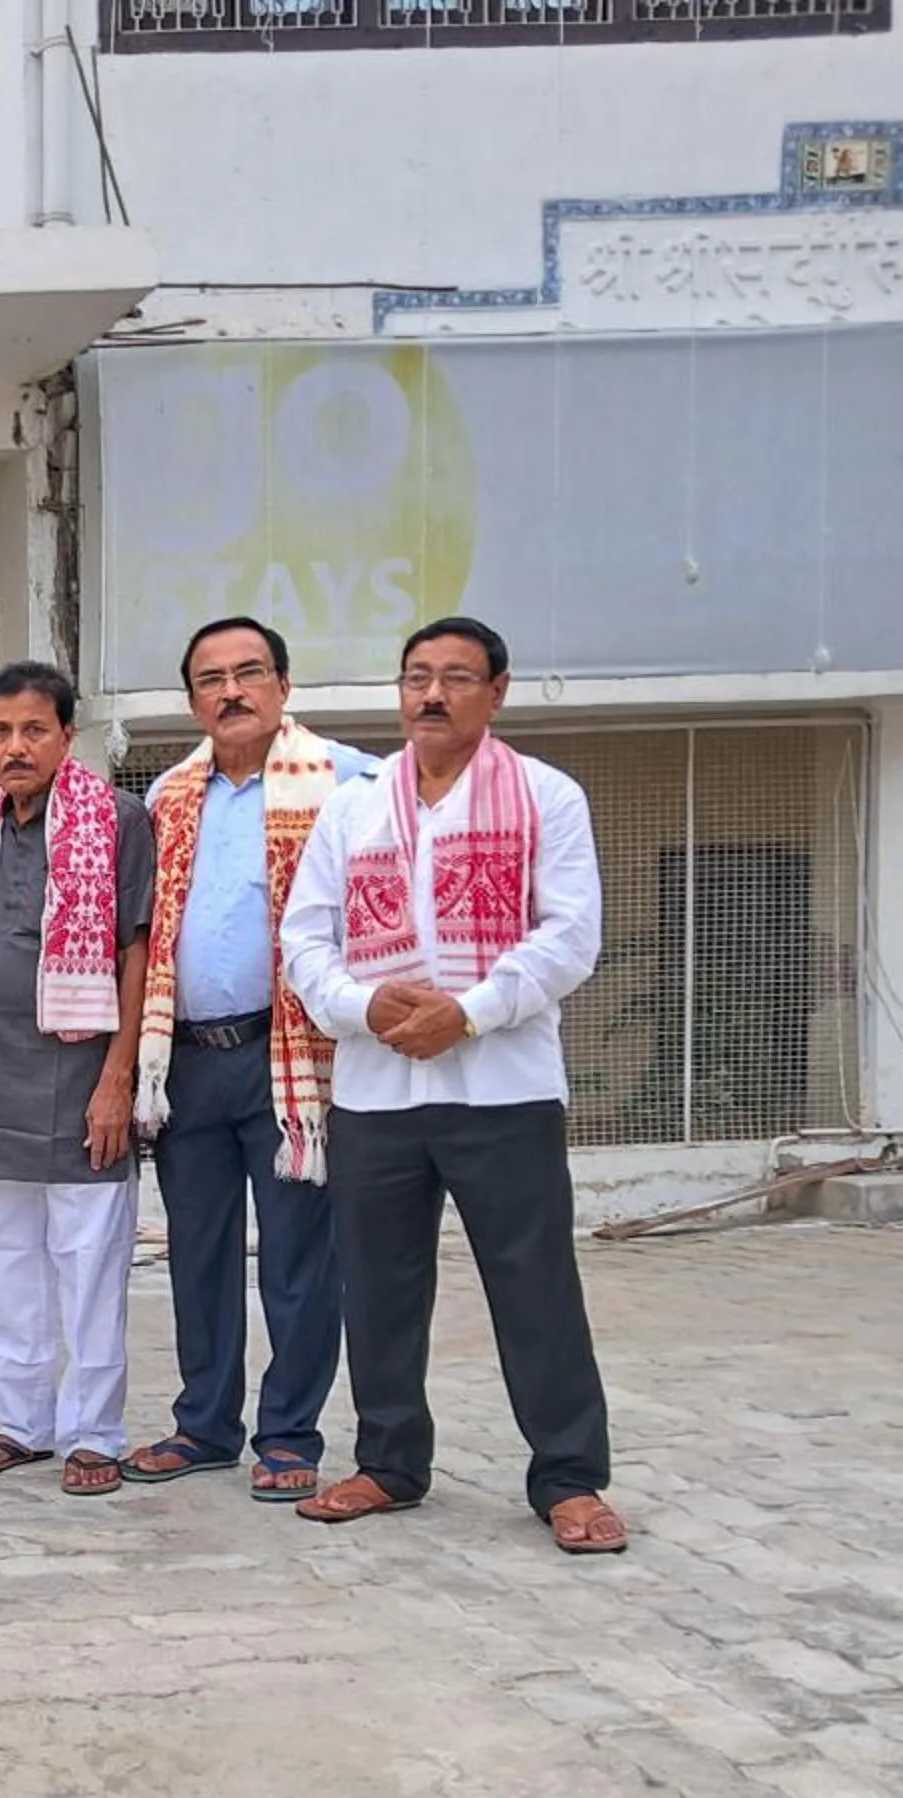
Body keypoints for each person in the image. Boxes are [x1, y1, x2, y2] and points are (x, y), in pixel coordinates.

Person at [281, 617, 625, 1555]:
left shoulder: (546, 797)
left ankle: (569, 1478)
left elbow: (570, 937)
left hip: (503, 1086)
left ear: (497, 691)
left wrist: (468, 1012)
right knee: (378, 1288)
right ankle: (389, 1463)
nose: (432, 695)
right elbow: (305, 938)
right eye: (417, 677)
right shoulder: (352, 808)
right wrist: (363, 1004)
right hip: (377, 1089)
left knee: (534, 1285)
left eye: (457, 678)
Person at [121, 620, 380, 1503]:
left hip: (290, 1059)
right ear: (192, 699)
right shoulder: (169, 795)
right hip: (188, 1060)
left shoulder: (348, 782)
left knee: (299, 1258)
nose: (231, 691)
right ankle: (204, 1426)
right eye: (211, 679)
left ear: (284, 684)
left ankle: (289, 1435)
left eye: (249, 673)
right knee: (196, 1253)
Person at [0, 662, 155, 1498]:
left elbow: (136, 948)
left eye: (34, 729)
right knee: (3, 1266)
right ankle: (21, 1424)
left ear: (68, 735)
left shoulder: (116, 820)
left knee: (89, 1265)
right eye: (1, 731)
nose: (16, 747)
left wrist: (118, 1078)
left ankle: (94, 1433)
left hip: (79, 1081)